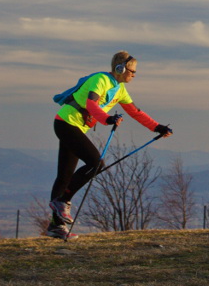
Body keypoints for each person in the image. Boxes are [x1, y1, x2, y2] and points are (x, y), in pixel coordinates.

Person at [47, 51, 173, 240]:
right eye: (132, 70)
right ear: (120, 68)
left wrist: (158, 127)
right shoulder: (101, 80)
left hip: (75, 127)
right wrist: (107, 119)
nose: (134, 74)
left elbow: (136, 112)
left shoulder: (120, 90)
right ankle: (62, 202)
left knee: (64, 175)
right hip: (66, 123)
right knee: (96, 163)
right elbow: (91, 104)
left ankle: (55, 226)